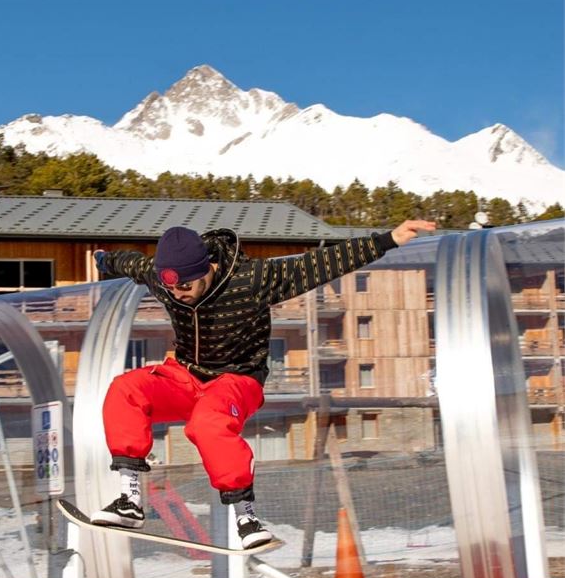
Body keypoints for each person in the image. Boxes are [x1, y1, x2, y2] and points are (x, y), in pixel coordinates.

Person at [91, 219, 436, 548]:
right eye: (170, 288)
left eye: (185, 287)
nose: (179, 295)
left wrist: (389, 240)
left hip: (236, 379)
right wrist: (104, 260)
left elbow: (320, 264)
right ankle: (130, 499)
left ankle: (247, 517)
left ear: (205, 269)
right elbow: (131, 263)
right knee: (125, 388)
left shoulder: (253, 279)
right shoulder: (163, 280)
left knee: (207, 424)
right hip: (186, 375)